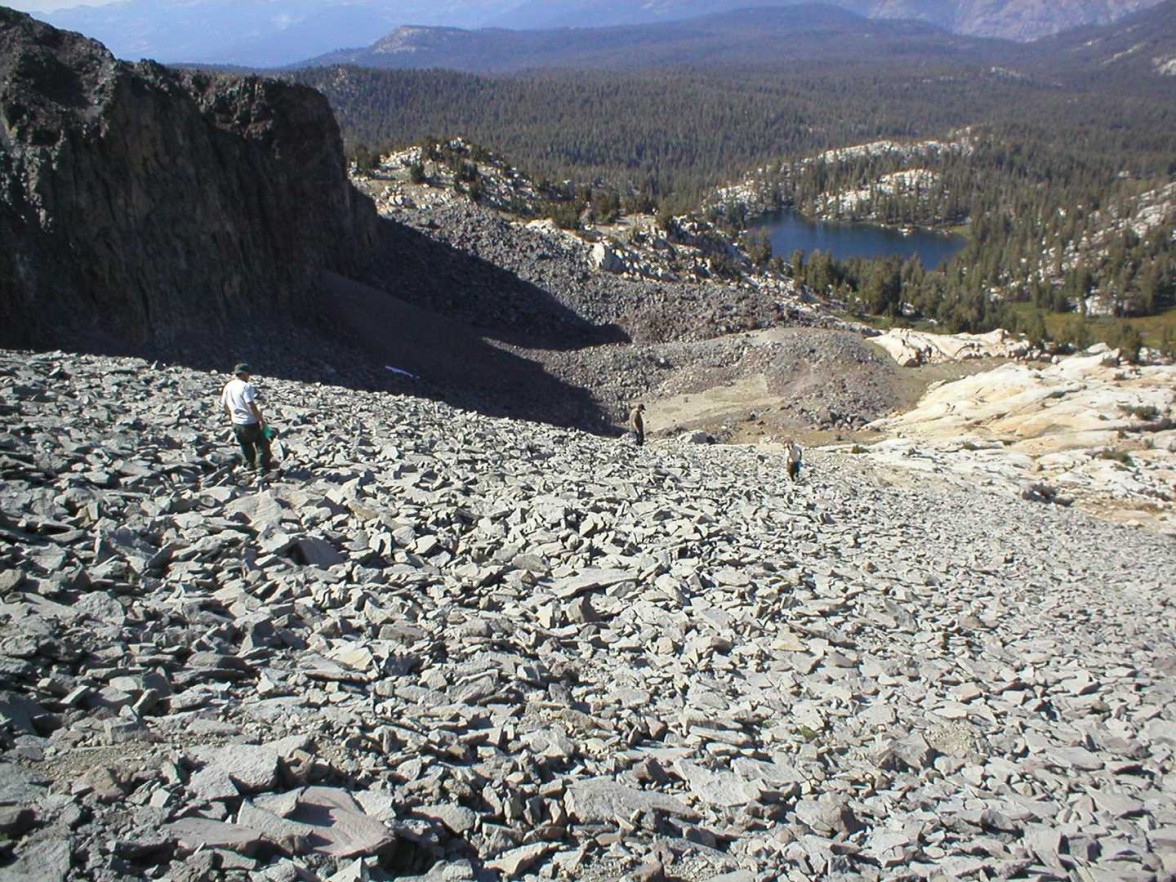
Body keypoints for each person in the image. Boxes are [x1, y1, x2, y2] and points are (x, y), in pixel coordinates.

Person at [220, 362, 273, 473]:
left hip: (236, 422)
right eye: (248, 374)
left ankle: (249, 465)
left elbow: (224, 404)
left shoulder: (228, 385)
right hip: (249, 421)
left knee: (245, 444)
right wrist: (260, 419)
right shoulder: (246, 387)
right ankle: (261, 467)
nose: (249, 377)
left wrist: (231, 415)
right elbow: (250, 404)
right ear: (244, 374)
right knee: (262, 443)